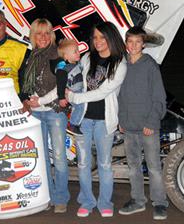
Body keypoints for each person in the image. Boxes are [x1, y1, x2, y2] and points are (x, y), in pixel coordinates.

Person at [66, 21, 127, 217]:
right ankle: (87, 201)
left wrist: (75, 98)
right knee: (83, 163)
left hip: (104, 121)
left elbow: (102, 92)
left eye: (102, 36)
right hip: (84, 119)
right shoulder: (86, 58)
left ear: (111, 38)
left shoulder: (120, 64)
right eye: (95, 37)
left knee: (105, 164)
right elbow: (74, 81)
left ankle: (105, 202)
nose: (98, 41)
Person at [118, 26, 168, 220]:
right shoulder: (122, 65)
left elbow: (159, 97)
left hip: (148, 127)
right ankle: (138, 200)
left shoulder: (150, 65)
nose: (134, 45)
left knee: (154, 167)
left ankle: (160, 202)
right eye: (130, 41)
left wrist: (152, 122)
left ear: (144, 44)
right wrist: (121, 120)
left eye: (138, 42)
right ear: (126, 44)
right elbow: (120, 96)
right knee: (133, 167)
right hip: (129, 127)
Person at [20, 18, 70, 213]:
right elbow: (23, 85)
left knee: (58, 157)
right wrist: (25, 100)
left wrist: (40, 101)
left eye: (46, 33)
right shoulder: (30, 57)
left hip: (54, 112)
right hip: (35, 115)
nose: (43, 37)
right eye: (39, 33)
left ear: (51, 35)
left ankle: (61, 198)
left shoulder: (57, 57)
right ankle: (47, 195)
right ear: (33, 36)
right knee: (41, 158)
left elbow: (61, 84)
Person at [50, 38, 84, 136]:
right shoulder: (63, 68)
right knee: (81, 106)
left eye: (78, 50)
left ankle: (75, 120)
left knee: (81, 106)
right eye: (75, 52)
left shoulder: (76, 64)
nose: (78, 53)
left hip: (78, 91)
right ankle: (73, 124)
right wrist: (61, 97)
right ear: (66, 56)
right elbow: (60, 83)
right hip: (72, 92)